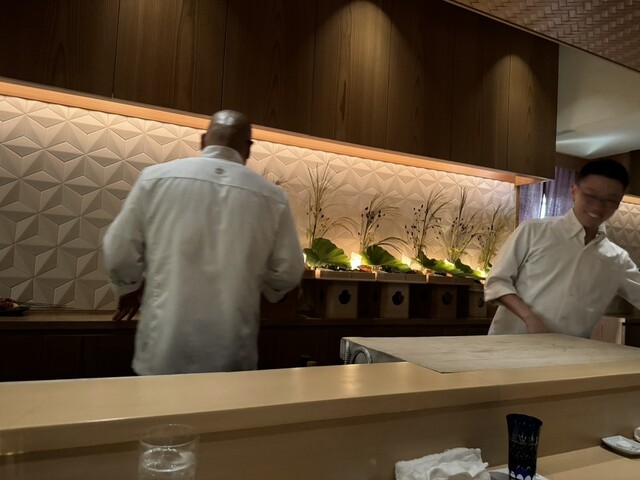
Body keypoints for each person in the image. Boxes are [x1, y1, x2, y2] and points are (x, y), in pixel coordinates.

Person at [103, 110, 304, 375]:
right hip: (230, 352)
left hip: (164, 348)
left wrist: (128, 287)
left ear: (202, 140)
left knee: (159, 401)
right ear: (248, 148)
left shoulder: (154, 178)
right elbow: (288, 272)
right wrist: (262, 286)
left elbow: (119, 251)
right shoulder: (272, 197)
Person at [485, 158, 640, 338]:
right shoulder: (534, 231)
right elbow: (497, 282)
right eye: (590, 196)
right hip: (511, 344)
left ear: (619, 203)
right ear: (574, 191)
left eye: (610, 200)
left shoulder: (618, 259)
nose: (598, 207)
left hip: (571, 350)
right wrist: (530, 318)